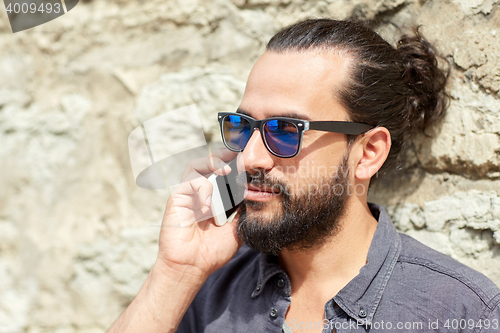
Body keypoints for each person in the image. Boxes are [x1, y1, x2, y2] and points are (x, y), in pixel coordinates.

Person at [107, 19, 500, 333]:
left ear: (367, 152)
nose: (249, 158)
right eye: (243, 126)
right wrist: (176, 273)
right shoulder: (210, 291)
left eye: (285, 130)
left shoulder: (461, 312)